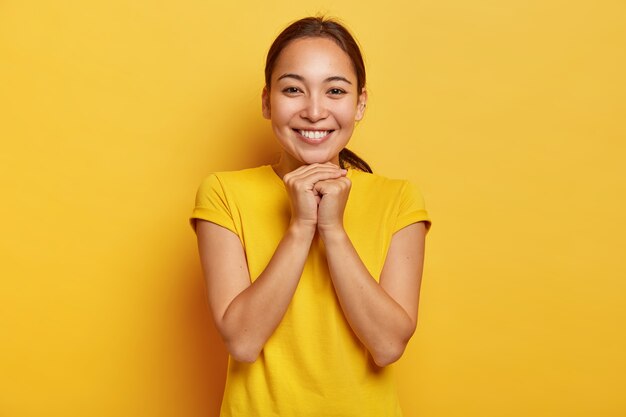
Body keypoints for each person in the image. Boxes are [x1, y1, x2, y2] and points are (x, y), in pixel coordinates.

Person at [191, 16, 431, 417]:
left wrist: (332, 230)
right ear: (268, 101)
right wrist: (301, 226)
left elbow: (388, 346)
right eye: (293, 90)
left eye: (335, 90)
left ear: (360, 105)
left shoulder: (399, 199)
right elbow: (243, 341)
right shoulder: (222, 193)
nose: (315, 111)